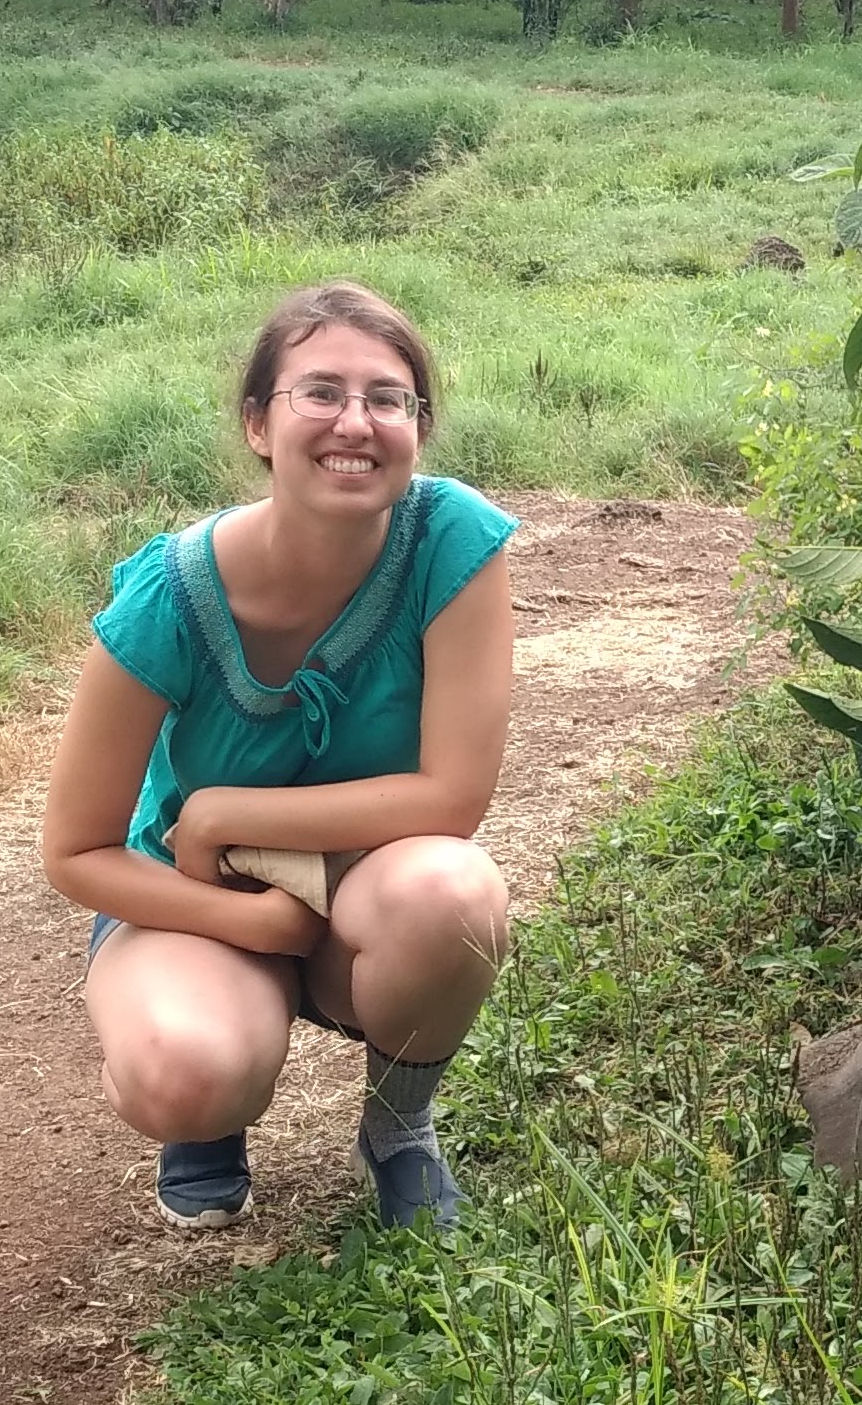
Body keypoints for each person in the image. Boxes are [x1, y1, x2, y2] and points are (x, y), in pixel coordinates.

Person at [39, 282, 517, 1234]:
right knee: (186, 1076)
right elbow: (76, 851)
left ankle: (398, 1129)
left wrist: (225, 814)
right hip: (200, 900)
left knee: (455, 895)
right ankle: (209, 1115)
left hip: (362, 884)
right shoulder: (171, 595)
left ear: (419, 426)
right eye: (322, 393)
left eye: (389, 398)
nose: (358, 422)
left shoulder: (451, 538)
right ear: (259, 423)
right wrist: (251, 922)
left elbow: (453, 797)